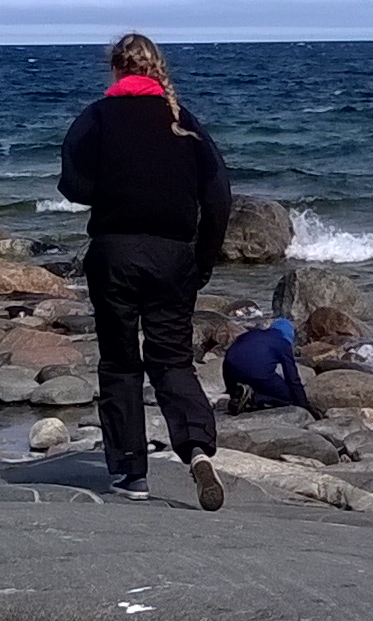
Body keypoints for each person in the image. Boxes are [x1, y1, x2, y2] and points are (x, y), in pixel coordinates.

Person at [57, 32, 232, 509]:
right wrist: (203, 260)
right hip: (172, 256)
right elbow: (219, 196)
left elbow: (72, 184)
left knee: (119, 363)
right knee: (171, 359)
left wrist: (115, 186)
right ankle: (196, 448)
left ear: (116, 69)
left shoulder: (96, 117)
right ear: (157, 69)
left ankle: (130, 472)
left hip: (114, 253)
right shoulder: (182, 120)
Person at [223, 318, 307, 413]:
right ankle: (254, 397)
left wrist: (231, 391)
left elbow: (229, 356)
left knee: (256, 375)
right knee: (288, 396)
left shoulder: (251, 334)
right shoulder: (283, 343)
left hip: (231, 368)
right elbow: (292, 378)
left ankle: (238, 395)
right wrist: (303, 405)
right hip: (257, 372)